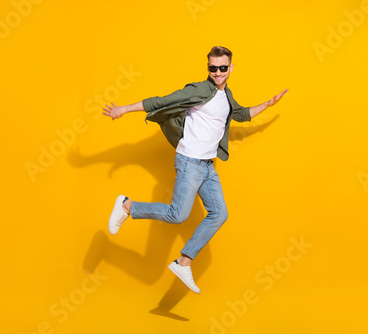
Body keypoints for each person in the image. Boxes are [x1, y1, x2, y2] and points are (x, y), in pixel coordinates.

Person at [102, 46, 288, 293]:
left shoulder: (226, 94)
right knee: (178, 215)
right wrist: (123, 109)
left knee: (219, 214)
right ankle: (127, 206)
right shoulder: (200, 90)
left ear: (231, 68)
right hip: (190, 162)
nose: (218, 73)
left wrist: (268, 104)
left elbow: (241, 114)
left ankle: (183, 261)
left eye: (223, 68)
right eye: (213, 68)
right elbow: (163, 100)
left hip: (208, 166)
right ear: (208, 68)